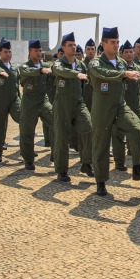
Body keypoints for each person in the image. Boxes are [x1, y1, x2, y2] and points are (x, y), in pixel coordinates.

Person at [87, 29, 140, 196]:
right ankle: (101, 181)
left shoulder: (121, 62)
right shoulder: (96, 63)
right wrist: (123, 74)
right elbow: (101, 73)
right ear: (104, 44)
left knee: (137, 129)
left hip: (119, 105)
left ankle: (137, 167)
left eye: (117, 42)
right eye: (113, 42)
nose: (116, 45)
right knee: (101, 146)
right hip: (102, 109)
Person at [51, 32, 94, 182]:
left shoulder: (81, 64)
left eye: (75, 45)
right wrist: (75, 74)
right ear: (63, 47)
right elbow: (59, 71)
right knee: (62, 137)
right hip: (62, 105)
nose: (73, 47)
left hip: (78, 103)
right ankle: (62, 170)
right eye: (70, 45)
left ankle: (86, 163)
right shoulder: (59, 63)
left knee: (88, 127)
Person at [18, 40, 53, 170]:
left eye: (39, 51)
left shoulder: (46, 65)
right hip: (29, 102)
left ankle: (56, 154)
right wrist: (40, 70)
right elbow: (27, 72)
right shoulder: (24, 66)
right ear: (30, 52)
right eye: (35, 51)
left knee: (56, 122)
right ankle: (28, 159)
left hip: (43, 100)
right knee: (27, 131)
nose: (38, 53)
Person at [112, 39, 140, 179]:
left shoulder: (138, 68)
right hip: (121, 107)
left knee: (137, 134)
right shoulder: (119, 68)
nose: (130, 54)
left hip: (136, 106)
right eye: (127, 52)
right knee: (118, 135)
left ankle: (137, 160)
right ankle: (119, 161)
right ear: (121, 54)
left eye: (131, 52)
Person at [0, 38, 22, 162]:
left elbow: (17, 84)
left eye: (9, 51)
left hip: (14, 99)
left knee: (23, 120)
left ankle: (26, 149)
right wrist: (1, 72)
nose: (8, 54)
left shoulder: (14, 68)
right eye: (5, 51)